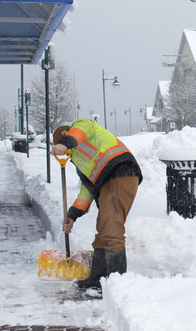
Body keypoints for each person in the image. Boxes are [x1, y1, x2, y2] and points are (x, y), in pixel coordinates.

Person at [50, 118, 143, 292]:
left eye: (65, 143)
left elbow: (79, 132)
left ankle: (119, 286)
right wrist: (72, 215)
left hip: (121, 172)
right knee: (102, 231)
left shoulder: (82, 125)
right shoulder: (77, 158)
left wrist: (64, 144)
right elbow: (87, 189)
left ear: (66, 136)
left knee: (112, 230)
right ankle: (98, 279)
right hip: (106, 181)